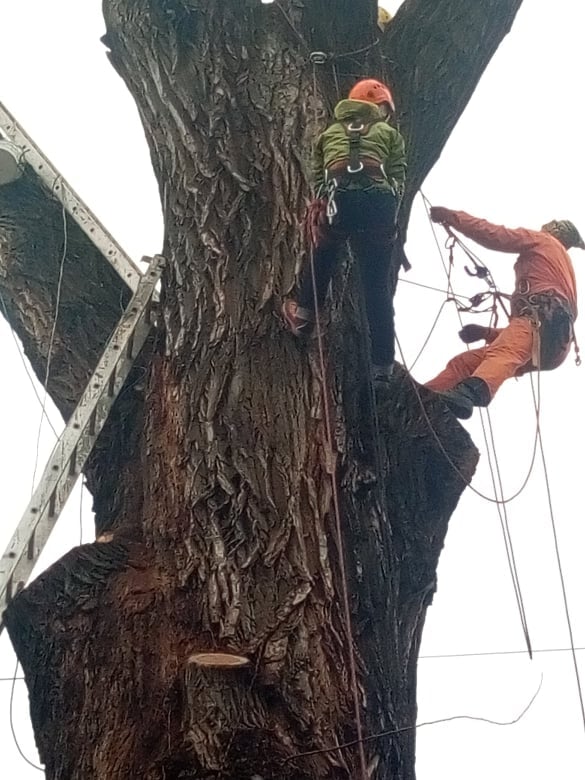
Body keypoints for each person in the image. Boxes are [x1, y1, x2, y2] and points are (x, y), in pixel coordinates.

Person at [282, 79, 406, 383]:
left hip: (342, 201)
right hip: (379, 206)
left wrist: (324, 204)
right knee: (376, 290)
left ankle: (303, 318)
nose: (386, 117)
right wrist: (390, 211)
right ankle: (382, 367)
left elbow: (318, 176)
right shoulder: (390, 133)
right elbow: (399, 173)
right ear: (378, 107)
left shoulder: (328, 134)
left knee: (322, 255)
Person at [425, 207, 584, 418]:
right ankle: (425, 396)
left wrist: (453, 217)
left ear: (555, 229)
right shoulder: (563, 265)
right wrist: (486, 333)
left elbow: (495, 235)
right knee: (465, 363)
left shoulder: (543, 241)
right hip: (554, 344)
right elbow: (521, 339)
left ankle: (470, 392)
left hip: (540, 320)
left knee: (504, 353)